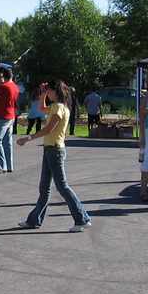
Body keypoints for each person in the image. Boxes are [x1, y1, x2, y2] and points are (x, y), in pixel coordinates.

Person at [16, 80, 91, 232]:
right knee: (44, 188)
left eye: (49, 91)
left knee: (62, 186)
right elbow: (41, 108)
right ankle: (34, 220)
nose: (48, 93)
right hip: (50, 149)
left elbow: (49, 129)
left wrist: (28, 138)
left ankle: (82, 219)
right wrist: (43, 94)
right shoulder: (58, 106)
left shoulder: (58, 107)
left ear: (56, 92)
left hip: (55, 150)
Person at [0, 67, 19, 173]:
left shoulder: (3, 87)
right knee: (7, 142)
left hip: (2, 116)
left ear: (5, 76)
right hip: (11, 115)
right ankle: (9, 165)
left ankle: (1, 166)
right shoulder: (15, 86)